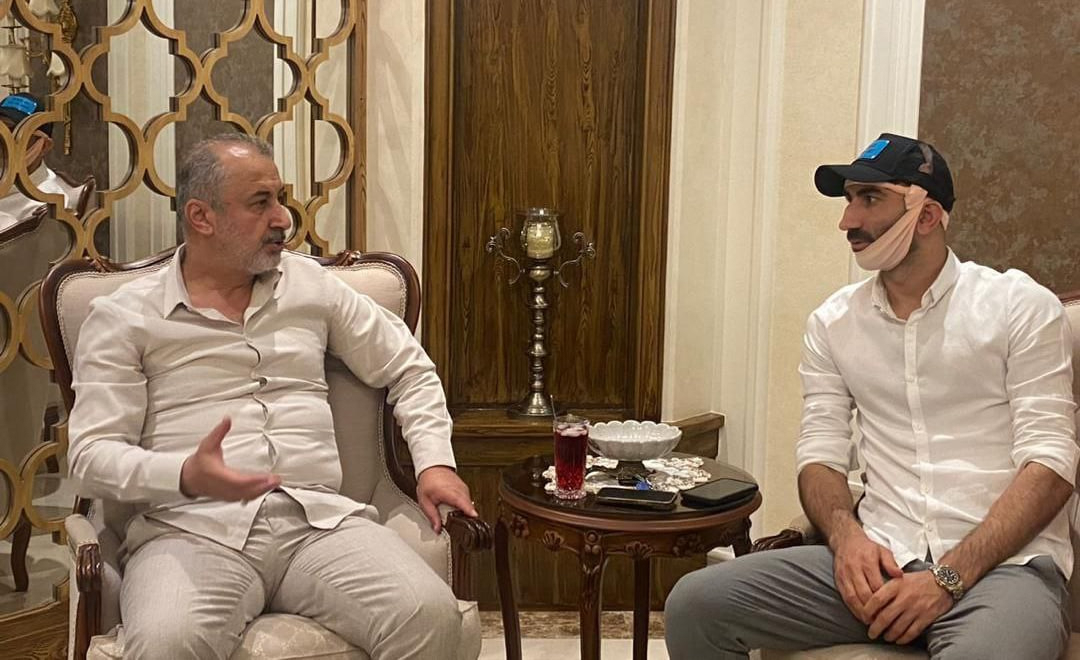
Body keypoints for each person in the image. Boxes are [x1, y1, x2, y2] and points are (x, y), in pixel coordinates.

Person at [664, 133, 1078, 659]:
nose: (848, 221)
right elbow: (820, 455)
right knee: (695, 605)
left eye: (870, 198)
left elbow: (1052, 463)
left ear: (927, 216)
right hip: (882, 561)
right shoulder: (834, 323)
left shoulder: (1019, 307)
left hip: (1004, 571)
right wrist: (847, 540)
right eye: (848, 200)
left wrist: (949, 577)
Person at [67, 132, 479, 659]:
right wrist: (183, 474)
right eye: (260, 203)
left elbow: (408, 367)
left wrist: (435, 464)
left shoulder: (312, 286)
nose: (282, 218)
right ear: (201, 217)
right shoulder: (124, 317)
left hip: (320, 523)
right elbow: (89, 457)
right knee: (167, 642)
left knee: (430, 615)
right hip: (189, 530)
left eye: (279, 198)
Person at [0, 92, 85, 231]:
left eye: (14, 134)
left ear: (44, 146)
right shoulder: (5, 178)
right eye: (2, 133)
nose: (4, 143)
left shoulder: (46, 205)